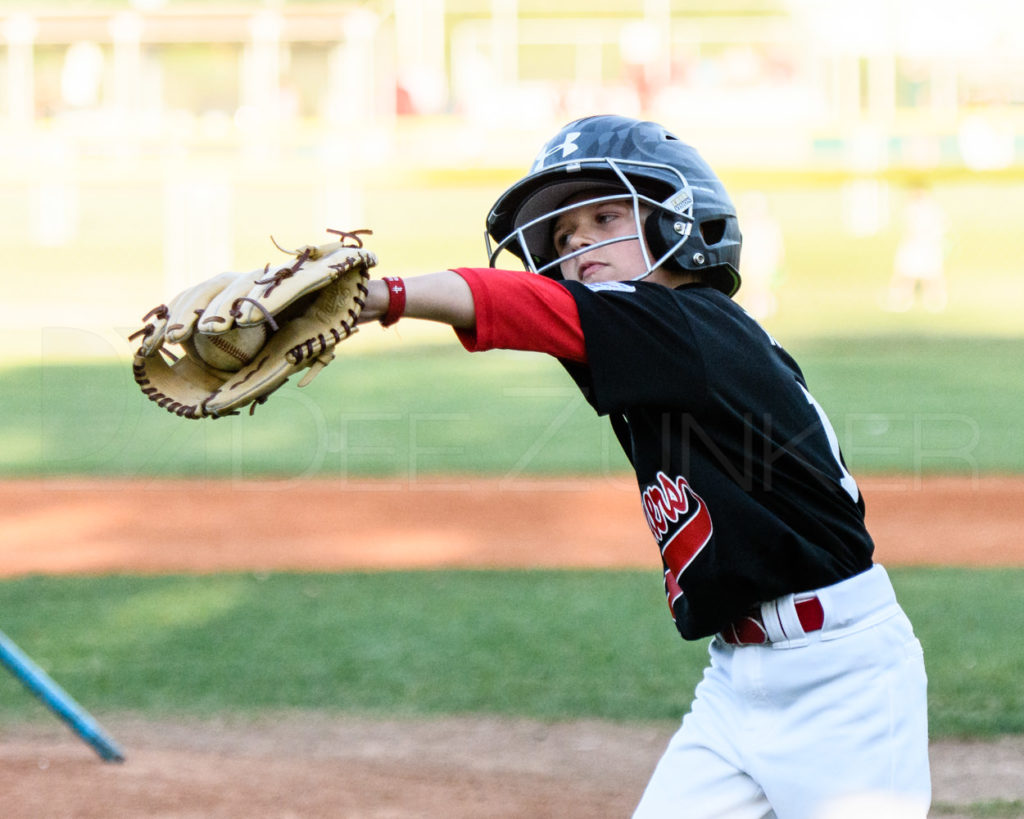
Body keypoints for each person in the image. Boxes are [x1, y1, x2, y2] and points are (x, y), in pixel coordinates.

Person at [167, 115, 932, 818]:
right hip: (738, 680)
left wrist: (383, 296)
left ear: (682, 220)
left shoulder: (694, 325)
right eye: (563, 236)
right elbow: (544, 310)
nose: (580, 245)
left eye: (605, 217)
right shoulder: (642, 341)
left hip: (843, 682)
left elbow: (523, 306)